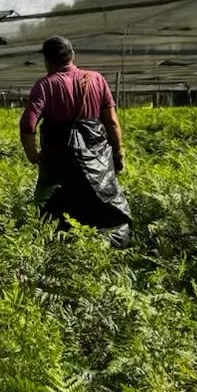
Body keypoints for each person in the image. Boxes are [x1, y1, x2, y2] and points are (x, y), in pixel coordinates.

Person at [19, 36, 131, 247]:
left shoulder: (45, 86)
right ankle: (107, 247)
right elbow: (112, 122)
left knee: (57, 208)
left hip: (59, 160)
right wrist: (118, 153)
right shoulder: (96, 79)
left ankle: (62, 249)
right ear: (72, 55)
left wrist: (33, 156)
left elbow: (27, 125)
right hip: (96, 157)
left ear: (47, 59)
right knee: (104, 202)